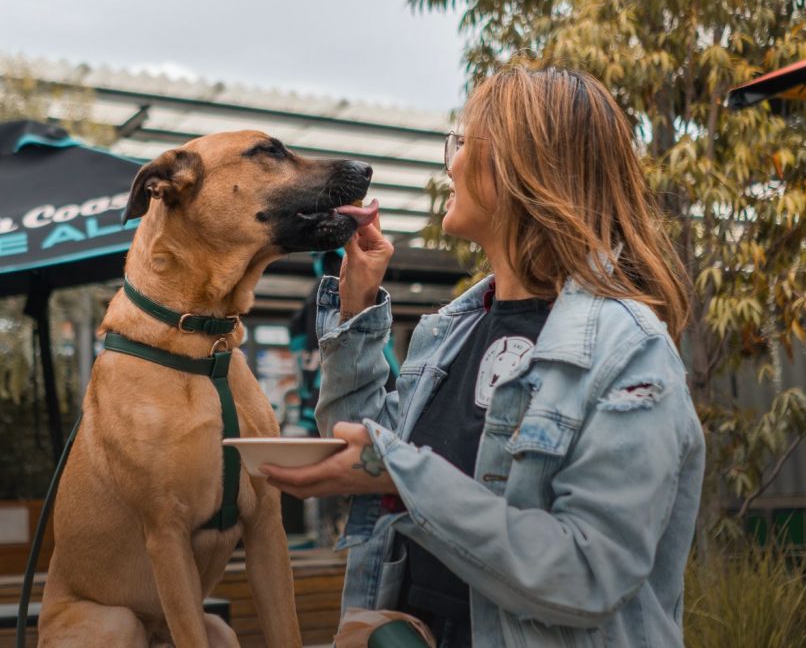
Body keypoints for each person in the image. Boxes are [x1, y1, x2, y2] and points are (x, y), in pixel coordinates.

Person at [261, 66, 706, 648]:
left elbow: (588, 574)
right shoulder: (448, 331)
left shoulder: (629, 350)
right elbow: (360, 440)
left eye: (464, 142)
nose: (450, 162)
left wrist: (399, 474)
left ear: (525, 164)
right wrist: (357, 303)